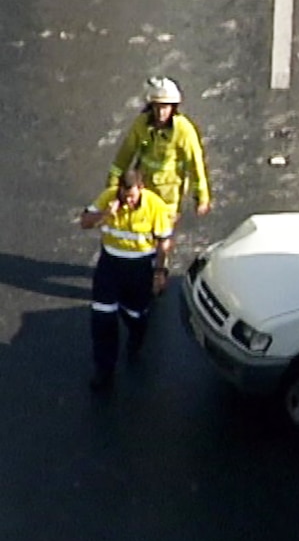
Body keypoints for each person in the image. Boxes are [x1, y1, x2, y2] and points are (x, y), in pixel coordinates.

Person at [80, 168, 173, 391]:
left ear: (141, 189)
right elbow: (84, 222)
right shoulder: (110, 197)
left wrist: (159, 273)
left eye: (131, 195)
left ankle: (136, 336)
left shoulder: (155, 206)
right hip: (110, 264)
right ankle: (104, 370)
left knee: (136, 314)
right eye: (124, 195)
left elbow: (163, 242)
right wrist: (106, 215)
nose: (128, 200)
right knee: (102, 317)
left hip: (139, 267)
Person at [105, 76, 211, 229]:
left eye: (166, 107)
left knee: (161, 234)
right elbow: (124, 157)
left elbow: (196, 164)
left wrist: (202, 198)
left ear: (173, 107)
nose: (161, 112)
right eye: (158, 107)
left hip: (168, 196)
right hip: (143, 191)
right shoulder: (141, 124)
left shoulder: (183, 130)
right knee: (139, 231)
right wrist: (113, 189)